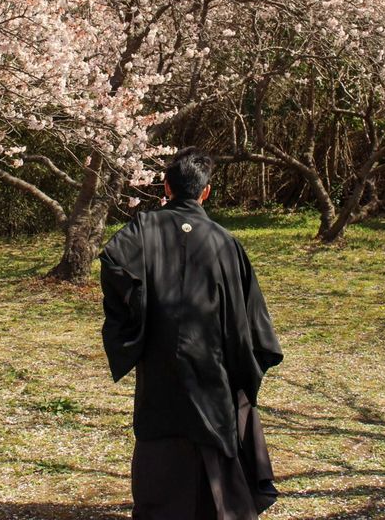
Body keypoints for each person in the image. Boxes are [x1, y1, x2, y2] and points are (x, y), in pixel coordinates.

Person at [99, 147, 283, 519]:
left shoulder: (141, 230)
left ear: (165, 187)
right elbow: (251, 318)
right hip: (214, 367)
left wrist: (138, 322)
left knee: (161, 436)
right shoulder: (224, 242)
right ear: (206, 192)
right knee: (214, 433)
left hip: (160, 363)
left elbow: (114, 265)